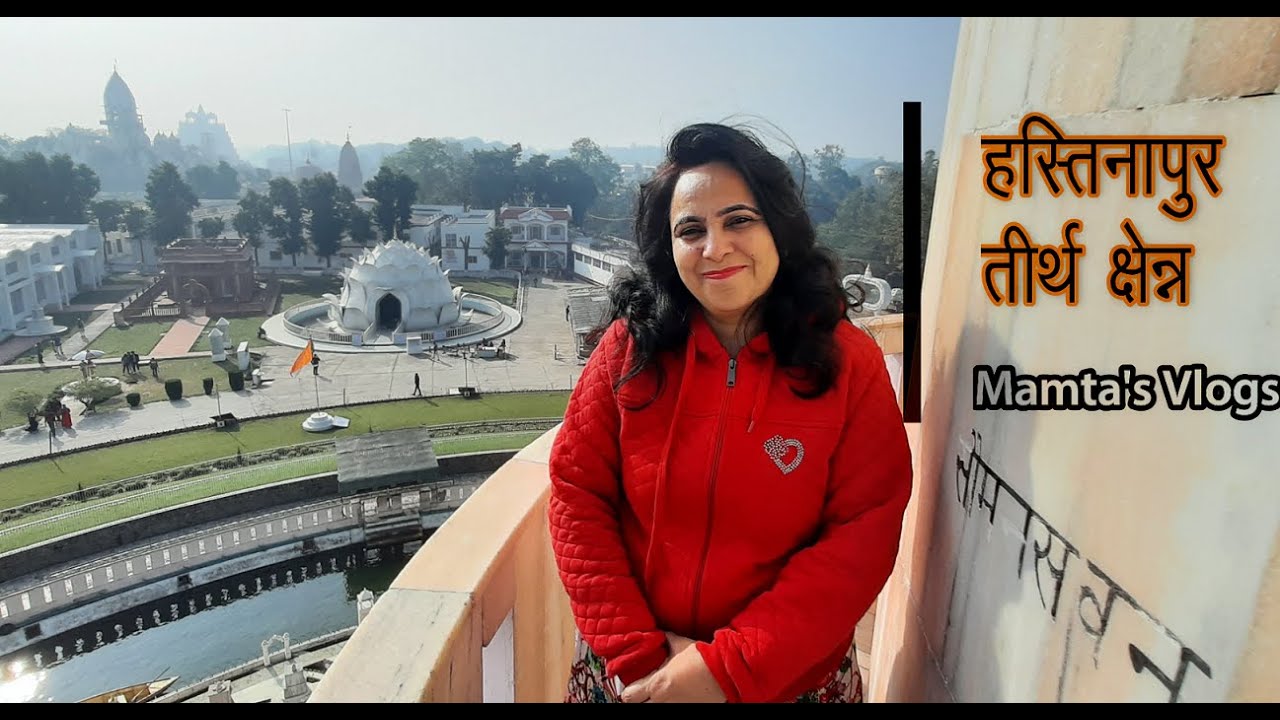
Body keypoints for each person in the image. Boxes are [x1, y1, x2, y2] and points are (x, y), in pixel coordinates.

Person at [547, 123, 912, 704]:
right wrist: (643, 658)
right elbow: (577, 492)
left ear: (779, 227)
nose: (715, 248)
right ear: (669, 249)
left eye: (738, 220)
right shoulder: (629, 349)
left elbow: (861, 533)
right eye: (691, 230)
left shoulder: (846, 362)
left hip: (788, 679)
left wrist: (725, 669)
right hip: (635, 673)